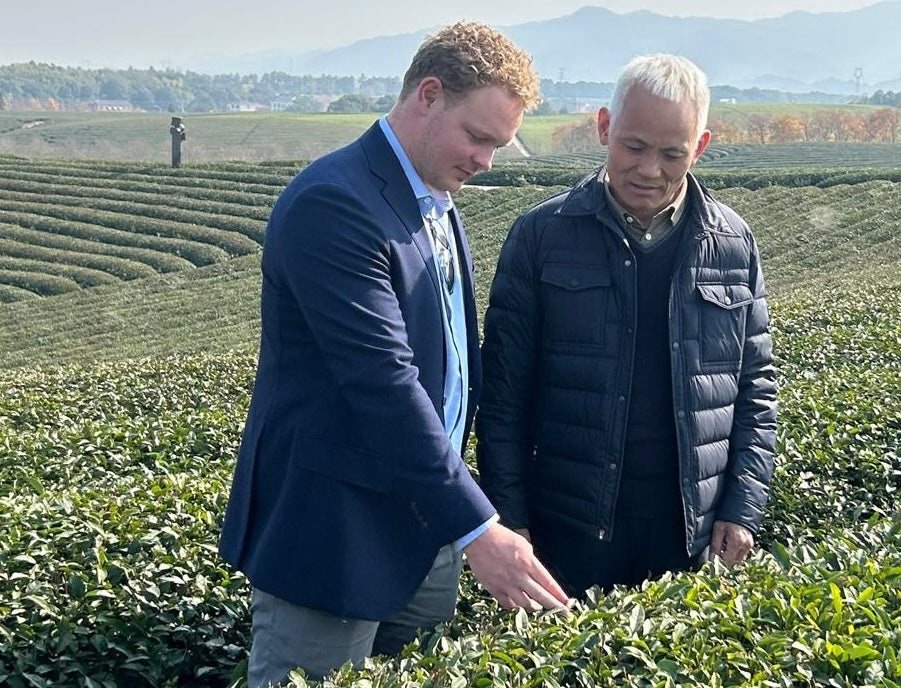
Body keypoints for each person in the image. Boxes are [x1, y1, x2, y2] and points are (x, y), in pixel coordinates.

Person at [218, 22, 568, 688]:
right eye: (478, 137)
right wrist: (477, 528)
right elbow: (384, 383)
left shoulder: (435, 198)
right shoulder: (334, 202)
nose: (486, 160)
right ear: (428, 96)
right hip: (336, 533)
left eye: (498, 144)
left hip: (424, 528)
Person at [476, 54, 777, 598]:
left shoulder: (732, 243)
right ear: (604, 127)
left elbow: (755, 389)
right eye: (634, 147)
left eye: (672, 154)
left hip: (690, 538)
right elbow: (503, 395)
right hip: (568, 536)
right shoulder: (541, 236)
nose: (649, 169)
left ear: (700, 147)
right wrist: (510, 517)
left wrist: (742, 508)